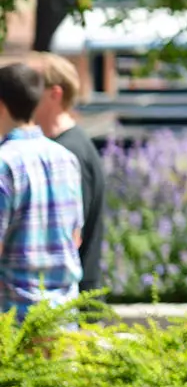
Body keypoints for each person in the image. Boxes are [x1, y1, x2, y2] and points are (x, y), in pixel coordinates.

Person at [0, 62, 83, 318]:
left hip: (14, 319)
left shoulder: (4, 163)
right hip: (62, 315)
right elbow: (75, 237)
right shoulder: (66, 158)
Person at [31, 54, 104, 293]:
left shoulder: (67, 153)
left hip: (71, 305)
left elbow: (68, 236)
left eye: (32, 87)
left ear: (55, 94)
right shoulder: (65, 146)